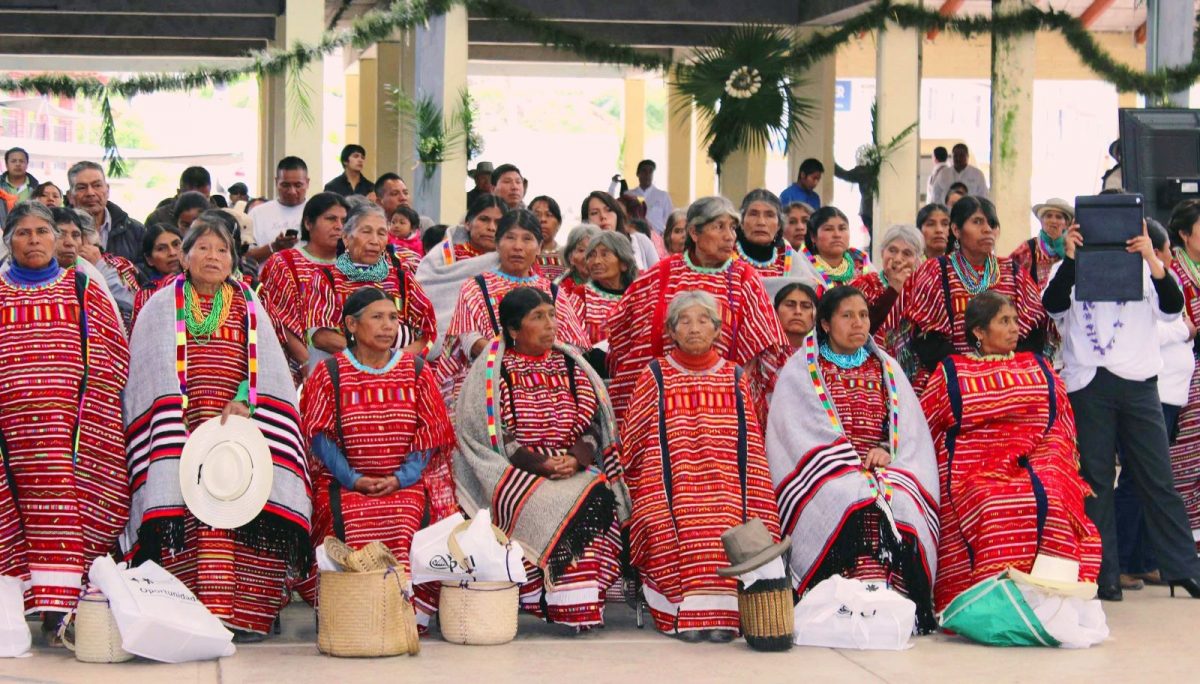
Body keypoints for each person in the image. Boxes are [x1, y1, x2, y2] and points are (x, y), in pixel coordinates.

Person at [121, 219, 312, 641]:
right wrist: (176, 412)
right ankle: (192, 617)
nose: (213, 257)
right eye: (203, 249)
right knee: (193, 520)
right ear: (184, 258)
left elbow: (268, 368)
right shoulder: (160, 304)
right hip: (181, 427)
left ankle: (242, 616)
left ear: (233, 259)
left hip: (239, 429)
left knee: (238, 508)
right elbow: (147, 369)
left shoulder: (246, 301)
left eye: (221, 250)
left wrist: (246, 399)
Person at [1042, 217, 1200, 601]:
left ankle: (1183, 569)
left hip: (1141, 384)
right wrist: (1073, 259)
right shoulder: (1069, 267)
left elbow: (1173, 308)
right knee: (1096, 482)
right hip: (1089, 384)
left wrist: (1151, 258)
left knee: (1157, 478)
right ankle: (1103, 573)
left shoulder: (1148, 268)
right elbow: (1052, 305)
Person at [765, 286, 939, 632]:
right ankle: (834, 599)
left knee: (898, 500)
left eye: (863, 315)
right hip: (826, 470)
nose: (858, 323)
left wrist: (887, 451)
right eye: (847, 316)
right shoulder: (801, 370)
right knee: (849, 495)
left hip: (884, 467)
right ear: (826, 324)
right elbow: (795, 432)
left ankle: (895, 601)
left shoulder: (886, 367)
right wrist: (845, 462)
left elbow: (907, 429)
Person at [454, 287, 629, 630]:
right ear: (514, 330)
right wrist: (540, 464)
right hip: (513, 467)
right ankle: (543, 596)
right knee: (543, 502)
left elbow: (594, 423)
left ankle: (579, 604)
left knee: (598, 495)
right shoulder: (492, 368)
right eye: (538, 317)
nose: (550, 324)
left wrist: (577, 458)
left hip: (571, 464)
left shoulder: (571, 362)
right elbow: (487, 433)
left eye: (552, 314)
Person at [921, 291, 1101, 612]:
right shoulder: (952, 372)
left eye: (1015, 321)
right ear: (979, 331)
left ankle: (1053, 602)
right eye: (1004, 321)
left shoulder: (1038, 365)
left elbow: (1061, 424)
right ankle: (989, 602)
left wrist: (1045, 457)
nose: (1015, 328)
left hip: (1039, 459)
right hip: (974, 467)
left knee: (1053, 494)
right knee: (992, 501)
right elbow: (927, 427)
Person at [620, 290, 782, 642]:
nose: (694, 328)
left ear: (717, 330)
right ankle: (686, 615)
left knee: (725, 520)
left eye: (703, 320)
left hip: (727, 484)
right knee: (673, 522)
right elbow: (631, 440)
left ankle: (722, 617)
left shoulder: (735, 375)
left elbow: (752, 445)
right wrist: (639, 485)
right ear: (671, 332)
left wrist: (752, 495)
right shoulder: (656, 374)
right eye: (684, 321)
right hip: (668, 485)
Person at [0, 202, 130, 638]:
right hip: (10, 439)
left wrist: (92, 418)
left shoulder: (81, 286)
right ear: (8, 241)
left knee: (68, 516)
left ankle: (63, 611)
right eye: (23, 232)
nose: (33, 239)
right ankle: (18, 611)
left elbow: (113, 356)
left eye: (42, 231)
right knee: (16, 518)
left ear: (57, 239)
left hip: (72, 434)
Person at [301, 286, 454, 629]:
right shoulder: (330, 372)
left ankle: (400, 619)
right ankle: (357, 617)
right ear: (351, 326)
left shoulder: (416, 370)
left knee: (404, 515)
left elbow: (430, 431)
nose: (388, 326)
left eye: (393, 318)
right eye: (377, 317)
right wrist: (353, 479)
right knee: (347, 518)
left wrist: (401, 478)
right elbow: (320, 437)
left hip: (406, 482)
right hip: (344, 483)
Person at [606, 196, 787, 419]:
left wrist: (726, 391)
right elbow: (622, 329)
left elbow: (760, 349)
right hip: (661, 398)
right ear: (694, 233)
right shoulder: (662, 274)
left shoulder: (744, 278)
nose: (729, 236)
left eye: (732, 227)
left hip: (723, 401)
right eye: (719, 227)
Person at [441, 209, 589, 407]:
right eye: (510, 238)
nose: (518, 247)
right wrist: (512, 363)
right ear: (497, 244)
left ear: (539, 247)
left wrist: (536, 366)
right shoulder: (475, 287)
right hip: (489, 381)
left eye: (527, 239)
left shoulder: (553, 291)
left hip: (549, 385)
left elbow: (573, 344)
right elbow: (469, 339)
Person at [900, 196, 1046, 387]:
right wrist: (973, 370)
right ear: (956, 230)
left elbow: (1036, 330)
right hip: (950, 378)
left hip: (1012, 377)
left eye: (992, 223)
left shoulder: (1013, 271)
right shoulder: (936, 271)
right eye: (977, 221)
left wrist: (1003, 368)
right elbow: (926, 339)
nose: (987, 229)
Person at [1116, 219, 1187, 589]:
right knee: (1133, 481)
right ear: (1152, 251)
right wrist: (1185, 330)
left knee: (1154, 482)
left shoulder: (1163, 286)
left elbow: (1176, 314)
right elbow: (1160, 329)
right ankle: (1125, 560)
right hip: (1150, 396)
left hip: (1172, 397)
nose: (1171, 258)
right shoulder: (1136, 285)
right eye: (1165, 251)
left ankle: (1144, 559)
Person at [308, 202, 437, 369]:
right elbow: (321, 336)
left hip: (400, 372)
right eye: (366, 232)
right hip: (347, 372)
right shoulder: (326, 279)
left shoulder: (403, 279)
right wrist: (374, 359)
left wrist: (395, 362)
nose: (375, 241)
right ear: (346, 238)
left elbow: (428, 332)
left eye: (382, 233)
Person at [256, 193, 349, 370]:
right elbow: (275, 317)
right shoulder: (284, 262)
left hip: (348, 364)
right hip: (292, 365)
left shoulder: (354, 266)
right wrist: (305, 360)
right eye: (331, 219)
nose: (339, 226)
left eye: (344, 221)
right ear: (308, 223)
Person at [1165, 201, 1200, 554]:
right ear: (1185, 235)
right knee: (1186, 455)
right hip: (1186, 373)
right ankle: (1181, 537)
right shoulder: (1174, 271)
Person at [743, 281, 818, 428]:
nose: (797, 311)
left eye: (806, 306)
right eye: (790, 305)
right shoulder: (759, 356)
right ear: (775, 312)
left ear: (815, 316)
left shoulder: (821, 357)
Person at [852, 224, 922, 380]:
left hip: (915, 373)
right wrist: (893, 290)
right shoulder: (864, 285)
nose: (898, 259)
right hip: (871, 368)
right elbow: (862, 327)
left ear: (917, 260)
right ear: (882, 252)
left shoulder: (924, 289)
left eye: (907, 253)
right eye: (892, 250)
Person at [53, 207, 137, 326]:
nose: (69, 242)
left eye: (76, 235)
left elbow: (131, 307)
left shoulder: (108, 266)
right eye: (61, 234)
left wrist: (100, 265)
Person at [580, 231, 638, 376]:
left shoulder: (639, 295)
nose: (596, 261)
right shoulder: (581, 295)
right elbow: (573, 341)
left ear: (624, 264)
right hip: (594, 375)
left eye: (604, 254)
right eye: (592, 255)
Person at [66, 160, 146, 266]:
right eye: (82, 187)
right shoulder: (55, 231)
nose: (90, 193)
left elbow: (145, 276)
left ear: (107, 190)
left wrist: (103, 265)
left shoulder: (135, 230)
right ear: (70, 196)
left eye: (97, 185)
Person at [795, 205, 872, 290]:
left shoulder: (861, 261)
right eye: (828, 229)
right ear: (813, 236)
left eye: (842, 228)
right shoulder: (802, 266)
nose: (837, 235)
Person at [248, 156, 308, 263]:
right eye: (285, 185)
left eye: (298, 185)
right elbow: (246, 256)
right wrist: (274, 247)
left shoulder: (318, 213)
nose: (292, 191)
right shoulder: (257, 214)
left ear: (307, 183)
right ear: (276, 182)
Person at [581, 190, 659, 271]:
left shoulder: (640, 240)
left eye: (608, 210)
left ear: (617, 214)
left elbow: (659, 275)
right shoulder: (582, 253)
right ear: (586, 221)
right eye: (594, 213)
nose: (603, 216)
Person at [735, 189, 803, 277]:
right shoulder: (726, 254)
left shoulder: (787, 257)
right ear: (741, 222)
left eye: (769, 215)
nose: (761, 222)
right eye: (753, 214)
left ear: (779, 225)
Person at [1012, 198, 1072, 288]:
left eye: (1059, 217)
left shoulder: (1074, 249)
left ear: (1067, 223)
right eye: (1049, 216)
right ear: (1041, 221)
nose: (1053, 221)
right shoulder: (1027, 248)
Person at [132, 224, 184, 319]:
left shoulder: (205, 282)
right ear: (149, 259)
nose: (172, 253)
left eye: (176, 244)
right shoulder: (147, 295)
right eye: (161, 249)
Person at [146, 166, 211, 227]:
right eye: (191, 199)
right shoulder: (158, 218)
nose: (199, 204)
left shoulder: (218, 218)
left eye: (204, 198)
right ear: (179, 193)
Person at [622, 159, 673, 234]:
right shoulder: (629, 195)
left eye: (650, 172)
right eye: (644, 171)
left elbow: (670, 220)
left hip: (657, 237)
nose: (647, 174)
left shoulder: (663, 196)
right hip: (634, 236)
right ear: (638, 174)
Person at [556, 224, 600, 297]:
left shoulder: (612, 283)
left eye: (592, 250)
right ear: (570, 258)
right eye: (581, 250)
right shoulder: (561, 288)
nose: (587, 256)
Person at [529, 195, 566, 279]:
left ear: (559, 223)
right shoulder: (521, 254)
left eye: (549, 215)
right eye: (537, 215)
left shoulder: (567, 256)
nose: (542, 219)